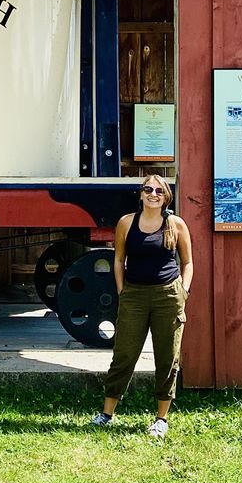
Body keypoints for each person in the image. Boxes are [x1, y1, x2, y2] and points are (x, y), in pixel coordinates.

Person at [90, 174, 193, 438]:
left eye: (159, 190)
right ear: (141, 194)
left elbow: (187, 262)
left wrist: (184, 290)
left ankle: (161, 418)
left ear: (166, 196)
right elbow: (118, 259)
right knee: (124, 354)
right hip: (134, 295)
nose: (153, 194)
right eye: (148, 189)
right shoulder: (127, 223)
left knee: (167, 356)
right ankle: (106, 414)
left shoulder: (175, 224)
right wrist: (123, 290)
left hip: (167, 296)